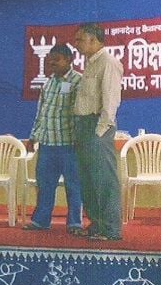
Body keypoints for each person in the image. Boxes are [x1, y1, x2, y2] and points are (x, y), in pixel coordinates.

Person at [22, 44, 83, 234]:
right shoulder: (48, 83)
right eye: (50, 59)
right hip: (47, 144)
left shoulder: (78, 81)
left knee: (74, 186)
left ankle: (74, 224)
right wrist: (33, 137)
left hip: (69, 145)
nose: (52, 62)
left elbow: (80, 115)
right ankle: (41, 221)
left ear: (69, 60)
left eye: (56, 59)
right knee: (45, 185)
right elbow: (41, 113)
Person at [72, 23, 124, 241]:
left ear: (94, 40)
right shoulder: (90, 64)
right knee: (88, 179)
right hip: (83, 126)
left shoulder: (108, 63)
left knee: (103, 179)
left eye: (80, 40)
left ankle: (111, 229)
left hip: (97, 127)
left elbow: (111, 101)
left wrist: (100, 131)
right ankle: (96, 224)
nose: (77, 44)